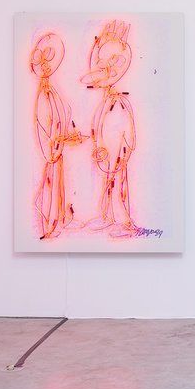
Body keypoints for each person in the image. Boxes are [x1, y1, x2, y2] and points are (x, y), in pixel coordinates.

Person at [80, 20, 137, 239]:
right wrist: (97, 144)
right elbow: (98, 124)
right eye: (101, 63)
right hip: (106, 151)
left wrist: (126, 149)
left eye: (113, 61)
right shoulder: (106, 99)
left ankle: (126, 221)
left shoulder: (120, 101)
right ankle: (108, 215)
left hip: (118, 151)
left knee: (119, 182)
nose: (105, 69)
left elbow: (128, 129)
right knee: (108, 182)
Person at [31, 33, 85, 239]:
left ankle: (59, 219)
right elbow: (44, 126)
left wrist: (67, 136)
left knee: (58, 184)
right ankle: (48, 226)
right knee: (50, 184)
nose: (45, 64)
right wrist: (58, 141)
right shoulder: (43, 93)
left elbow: (60, 118)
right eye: (40, 58)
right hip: (51, 151)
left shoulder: (51, 90)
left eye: (49, 57)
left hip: (56, 149)